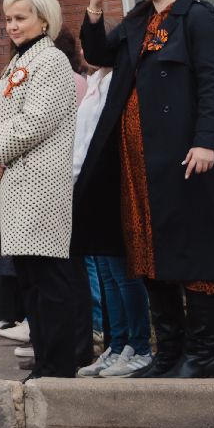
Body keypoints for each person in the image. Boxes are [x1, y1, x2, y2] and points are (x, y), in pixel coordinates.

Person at [79, 0, 214, 378]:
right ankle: (169, 353)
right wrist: (94, 10)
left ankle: (203, 355)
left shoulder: (197, 18)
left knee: (193, 252)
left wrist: (207, 140)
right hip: (139, 164)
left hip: (186, 158)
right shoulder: (140, 20)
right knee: (148, 254)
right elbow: (99, 55)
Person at [0, 0, 87, 380]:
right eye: (8, 19)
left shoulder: (51, 60)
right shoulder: (17, 63)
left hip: (39, 185)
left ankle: (58, 366)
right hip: (14, 186)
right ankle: (44, 362)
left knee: (49, 280)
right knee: (31, 283)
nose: (12, 26)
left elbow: (36, 120)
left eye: (20, 18)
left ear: (44, 19)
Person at [72, 63, 152, 377]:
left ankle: (140, 345)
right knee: (105, 272)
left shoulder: (119, 80)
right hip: (85, 180)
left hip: (111, 181)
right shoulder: (94, 82)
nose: (86, 51)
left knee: (122, 271)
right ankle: (116, 344)